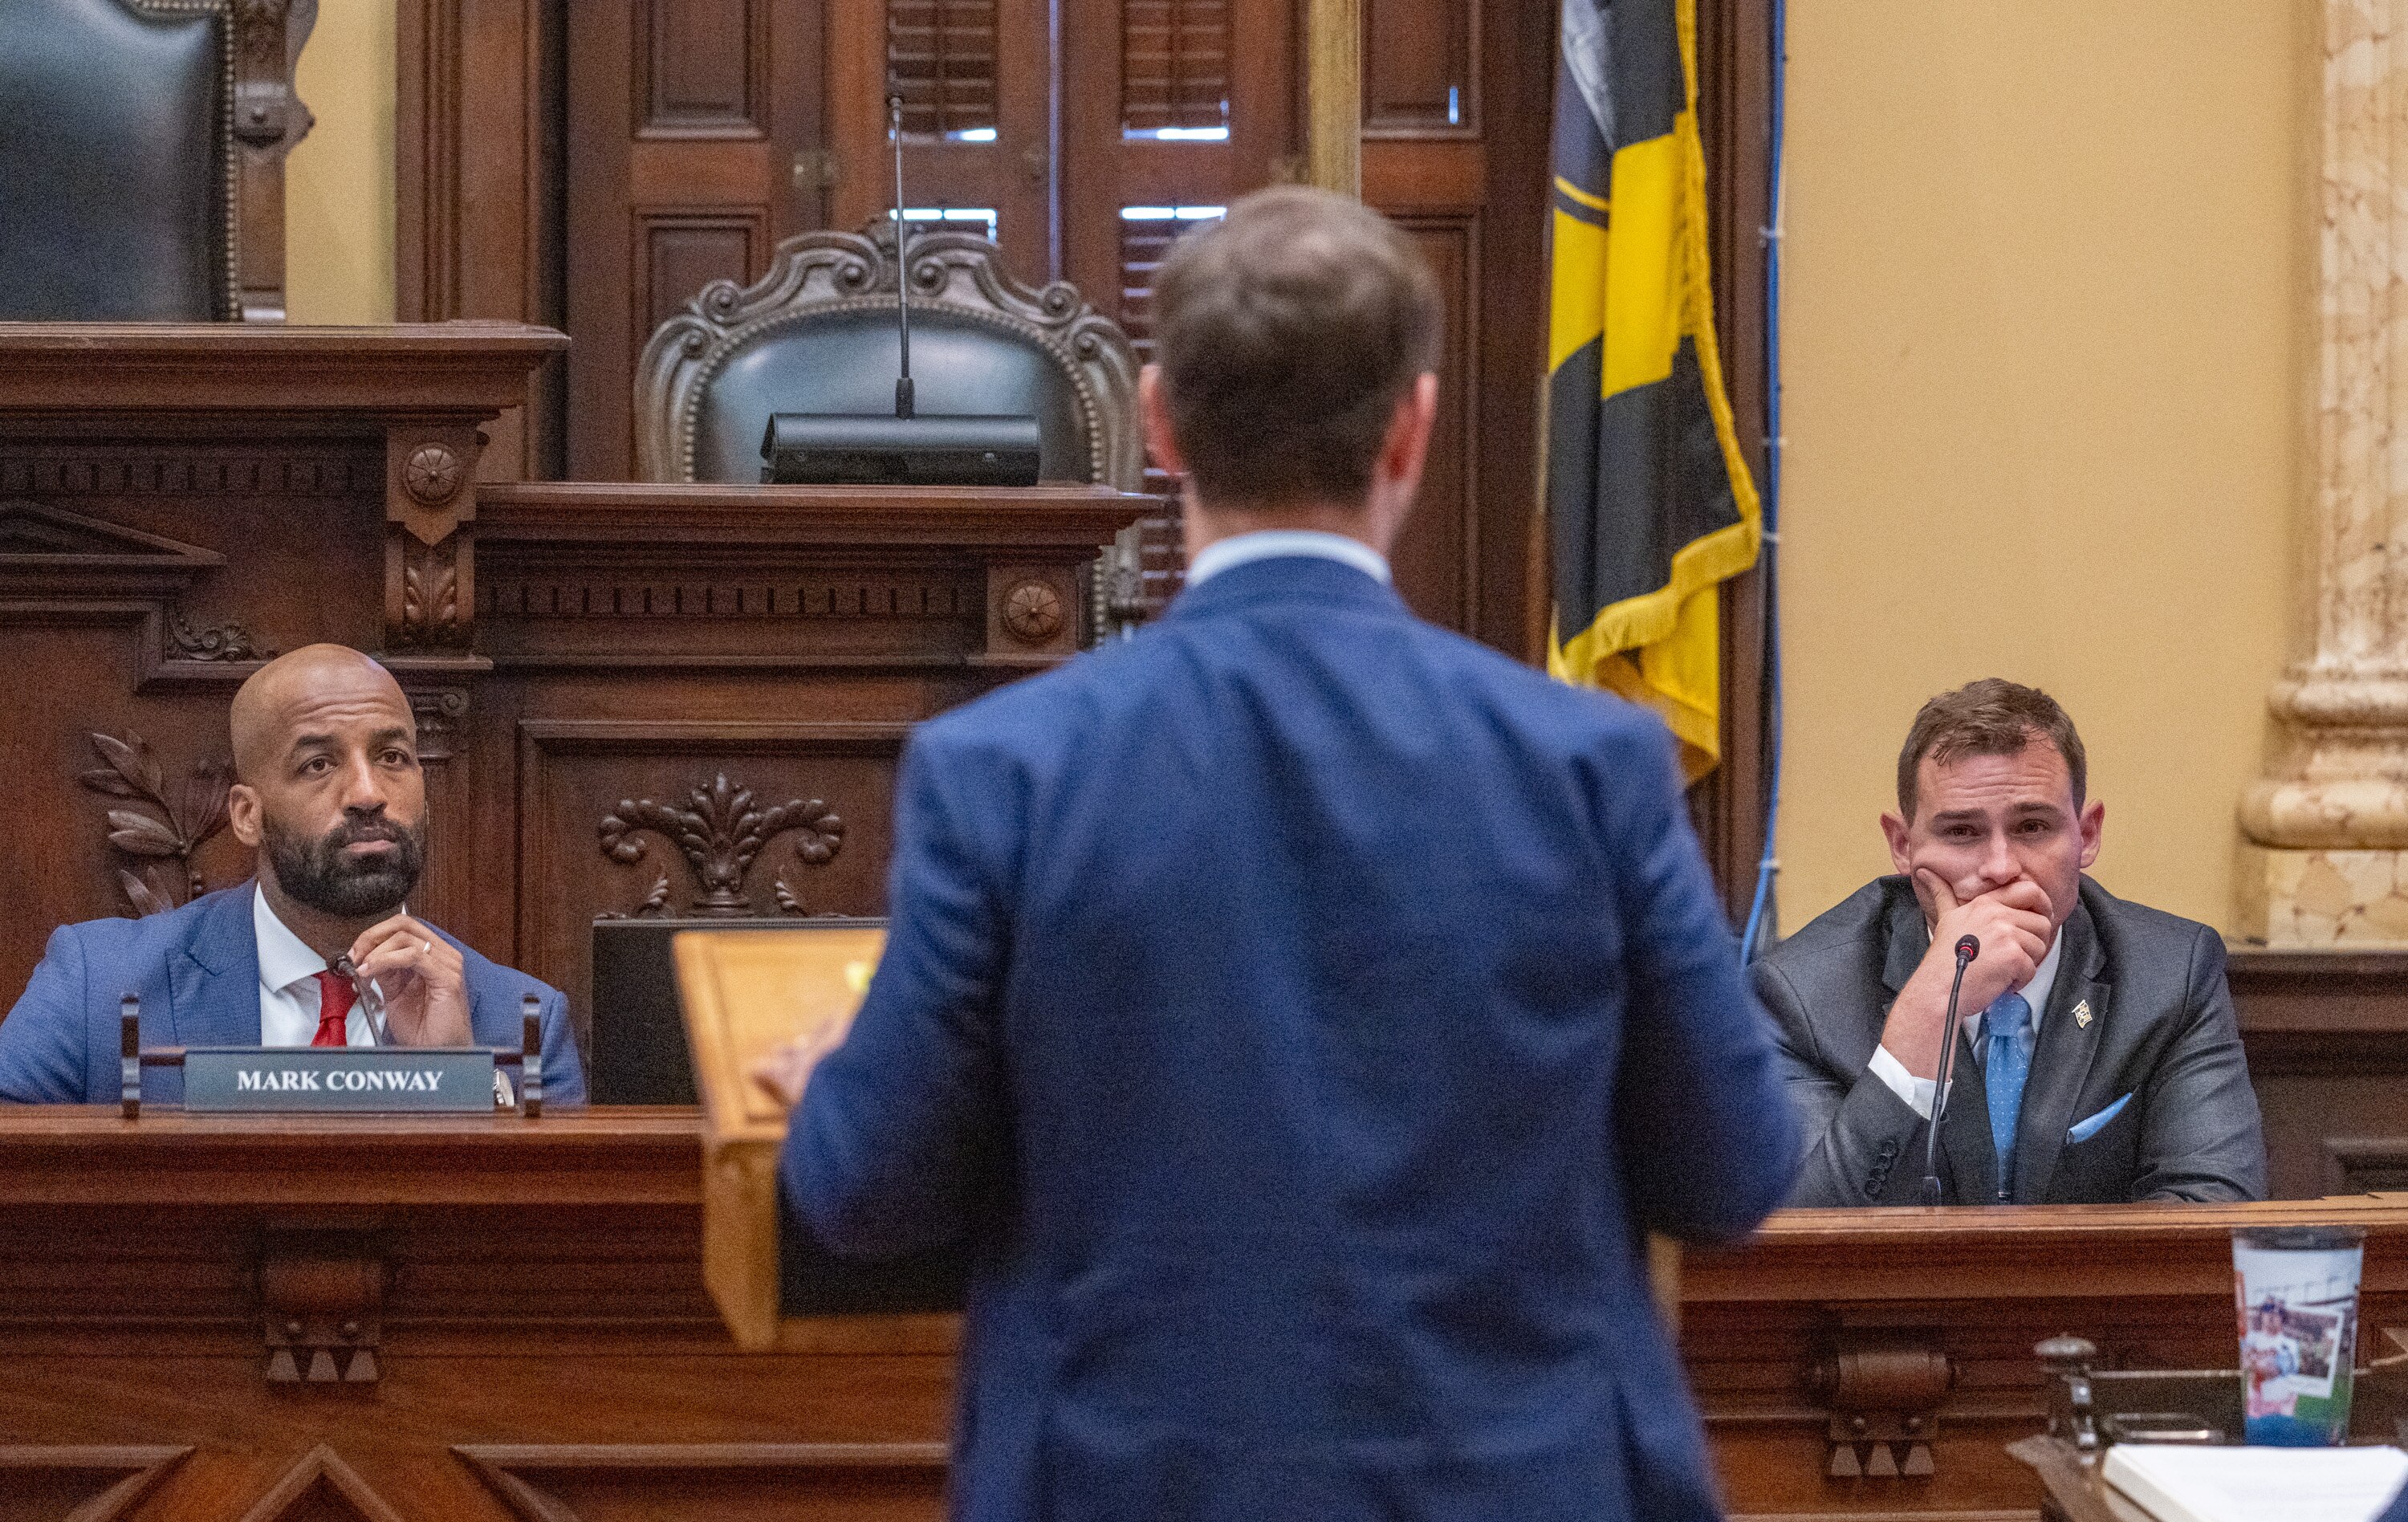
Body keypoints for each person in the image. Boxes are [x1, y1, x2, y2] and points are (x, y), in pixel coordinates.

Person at [751, 186, 1801, 1522]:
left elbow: (864, 1190)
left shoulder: (1008, 771)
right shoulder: (1588, 764)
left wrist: (835, 1084)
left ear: (1159, 423)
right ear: (1413, 427)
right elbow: (1732, 1171)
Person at [1753, 678, 2264, 1207]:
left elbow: (2212, 1206)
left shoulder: (2170, 975)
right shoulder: (1805, 992)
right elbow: (1796, 1230)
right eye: (1962, 833)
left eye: (2032, 827)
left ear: (2086, 835)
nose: (2000, 867)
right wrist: (1929, 1009)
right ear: (1904, 847)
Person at [0, 644, 584, 1104]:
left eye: (393, 757)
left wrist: (463, 1084)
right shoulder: (95, 984)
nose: (368, 793)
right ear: (248, 815)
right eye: (318, 764)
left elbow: (546, 1249)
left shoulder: (521, 1022)